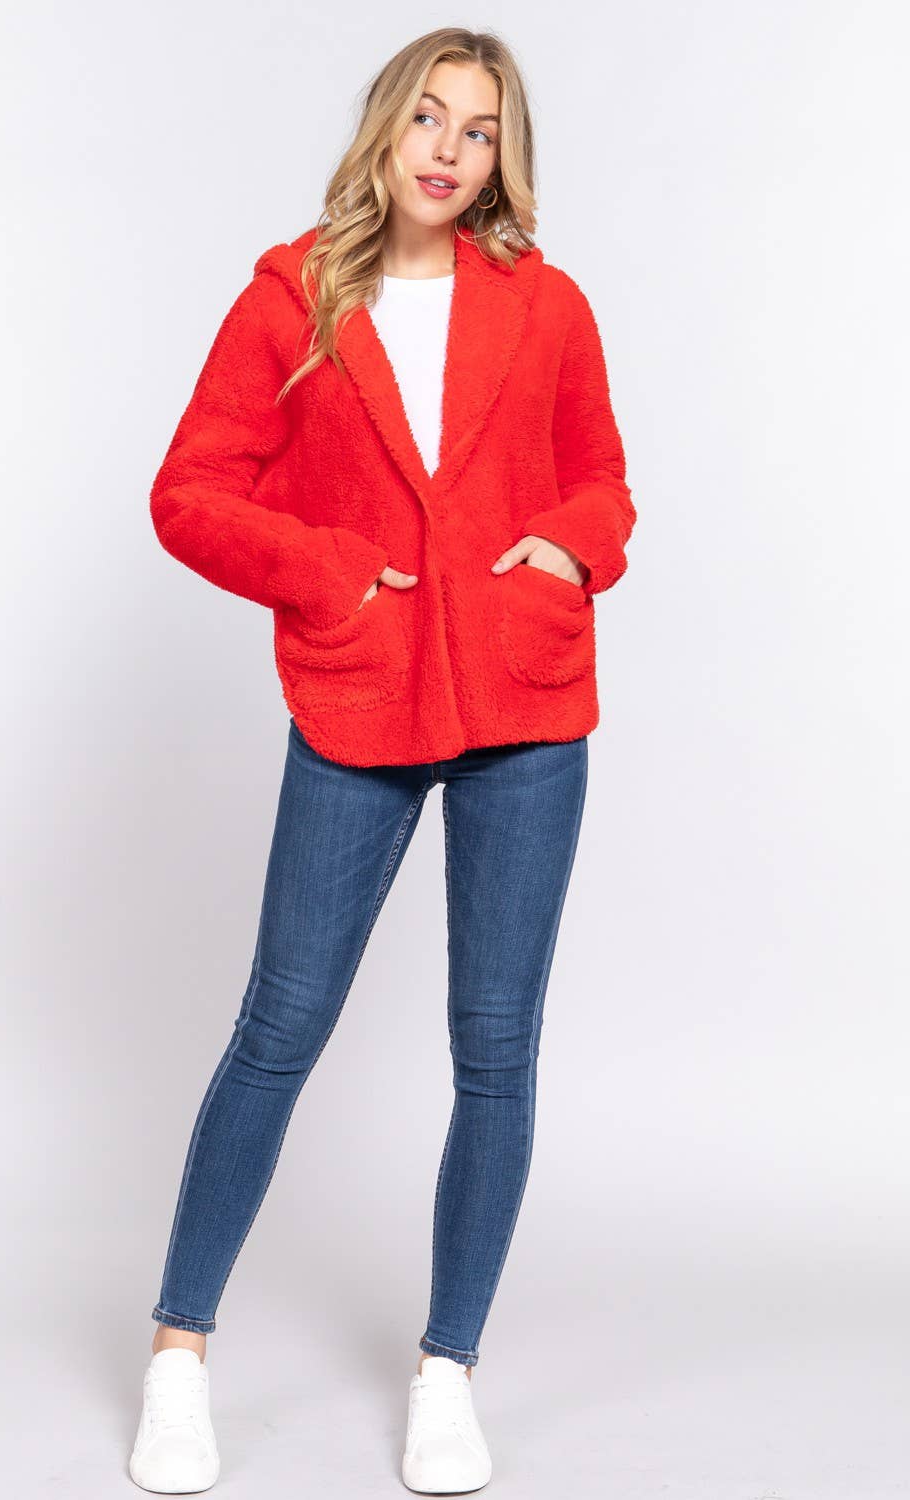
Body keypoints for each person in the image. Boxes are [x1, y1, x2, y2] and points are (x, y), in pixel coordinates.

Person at [130, 25, 636, 1496]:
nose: (447, 150)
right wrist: (331, 573)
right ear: (384, 127)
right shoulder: (293, 294)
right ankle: (179, 1353)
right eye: (428, 117)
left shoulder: (546, 306)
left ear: (501, 159)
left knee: (498, 1048)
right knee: (279, 1027)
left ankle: (447, 1371)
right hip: (361, 698)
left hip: (524, 707)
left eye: (478, 130)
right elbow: (189, 492)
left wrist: (569, 552)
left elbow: (603, 481)